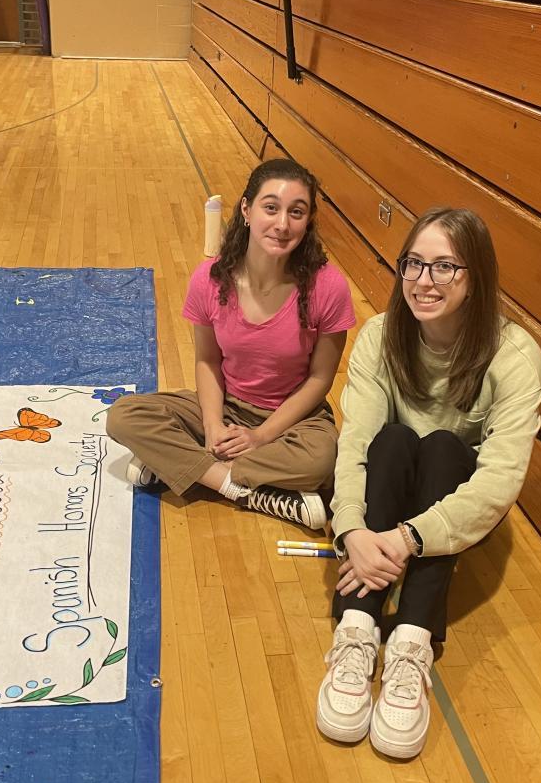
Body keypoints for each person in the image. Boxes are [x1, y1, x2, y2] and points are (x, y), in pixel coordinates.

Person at [316, 207, 541, 758]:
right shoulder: (380, 336)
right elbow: (356, 444)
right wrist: (351, 531)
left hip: (450, 511)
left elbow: (498, 483)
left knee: (444, 447)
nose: (424, 281)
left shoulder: (515, 356)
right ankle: (357, 627)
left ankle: (411, 640)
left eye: (445, 267)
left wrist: (407, 539)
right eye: (414, 263)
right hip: (385, 496)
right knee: (393, 439)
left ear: (476, 276)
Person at [106, 158, 355, 529]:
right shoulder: (209, 279)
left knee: (323, 461)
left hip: (293, 418)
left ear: (308, 221)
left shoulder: (329, 287)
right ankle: (242, 489)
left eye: (296, 212)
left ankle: (179, 464)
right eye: (271, 207)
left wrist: (261, 436)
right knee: (123, 416)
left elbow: (320, 379)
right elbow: (207, 361)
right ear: (247, 210)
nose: (282, 224)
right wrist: (211, 427)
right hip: (226, 405)